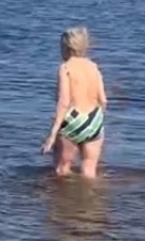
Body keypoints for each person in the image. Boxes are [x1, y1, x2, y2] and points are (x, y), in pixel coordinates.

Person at [41, 26, 108, 179]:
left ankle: (64, 200)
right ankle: (89, 199)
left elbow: (64, 102)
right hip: (93, 118)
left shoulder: (65, 68)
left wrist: (52, 135)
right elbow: (103, 100)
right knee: (90, 170)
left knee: (62, 169)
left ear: (66, 47)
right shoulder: (94, 67)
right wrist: (95, 122)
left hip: (73, 118)